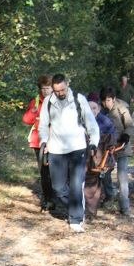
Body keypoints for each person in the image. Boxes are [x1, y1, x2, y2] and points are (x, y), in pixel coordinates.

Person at [38, 73, 99, 233]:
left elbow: (91, 123)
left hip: (77, 147)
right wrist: (44, 141)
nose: (60, 93)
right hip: (56, 149)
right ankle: (75, 206)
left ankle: (76, 219)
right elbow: (43, 125)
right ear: (53, 89)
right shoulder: (48, 102)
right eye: (57, 91)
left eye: (62, 89)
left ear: (67, 85)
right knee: (57, 187)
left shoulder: (79, 99)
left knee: (76, 184)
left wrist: (93, 142)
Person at [99, 86, 134, 216]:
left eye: (108, 100)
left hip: (122, 147)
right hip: (107, 150)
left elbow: (130, 126)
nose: (106, 103)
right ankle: (110, 195)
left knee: (122, 177)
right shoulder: (101, 111)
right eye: (104, 101)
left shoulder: (122, 109)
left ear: (113, 99)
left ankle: (124, 206)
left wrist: (126, 136)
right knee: (104, 174)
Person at [22, 75, 55, 210]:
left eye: (48, 88)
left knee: (57, 171)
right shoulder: (36, 101)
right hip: (39, 142)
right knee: (44, 172)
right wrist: (32, 111)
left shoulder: (58, 101)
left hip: (56, 141)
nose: (45, 91)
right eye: (43, 88)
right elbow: (26, 120)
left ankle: (59, 196)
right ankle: (48, 200)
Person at [84, 98, 117, 218]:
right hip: (83, 155)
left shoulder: (105, 121)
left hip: (98, 157)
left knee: (94, 182)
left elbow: (112, 138)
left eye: (94, 108)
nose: (92, 110)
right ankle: (84, 208)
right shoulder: (80, 120)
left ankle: (91, 211)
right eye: (89, 108)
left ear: (98, 108)